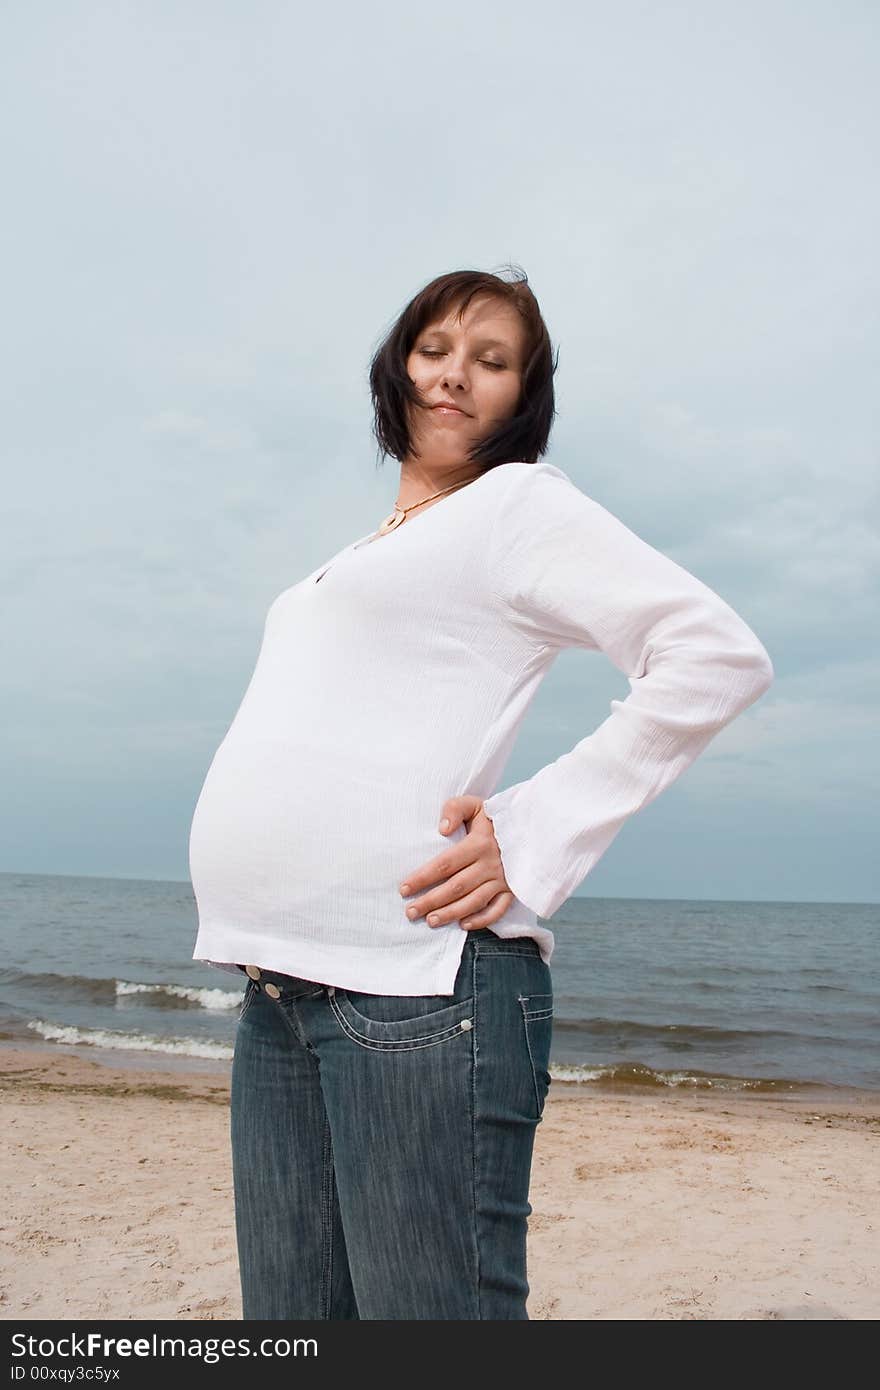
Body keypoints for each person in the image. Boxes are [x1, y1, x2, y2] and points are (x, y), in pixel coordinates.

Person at [188, 266, 774, 1320]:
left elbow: (714, 655)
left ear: (523, 397)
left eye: (492, 361)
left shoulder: (518, 505)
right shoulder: (373, 545)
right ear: (397, 364)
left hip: (414, 988)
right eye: (436, 347)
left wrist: (532, 829)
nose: (456, 374)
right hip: (279, 989)